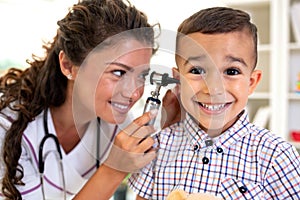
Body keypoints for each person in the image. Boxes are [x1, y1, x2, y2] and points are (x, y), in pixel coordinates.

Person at [0, 0, 177, 199]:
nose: (133, 93)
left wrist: (170, 129)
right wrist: (114, 168)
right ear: (68, 65)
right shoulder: (7, 126)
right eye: (118, 72)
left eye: (141, 76)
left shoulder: (117, 127)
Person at [128, 6, 300, 199]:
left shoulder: (276, 156)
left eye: (232, 72)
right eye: (197, 70)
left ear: (251, 83)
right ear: (178, 79)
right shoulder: (157, 148)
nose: (213, 88)